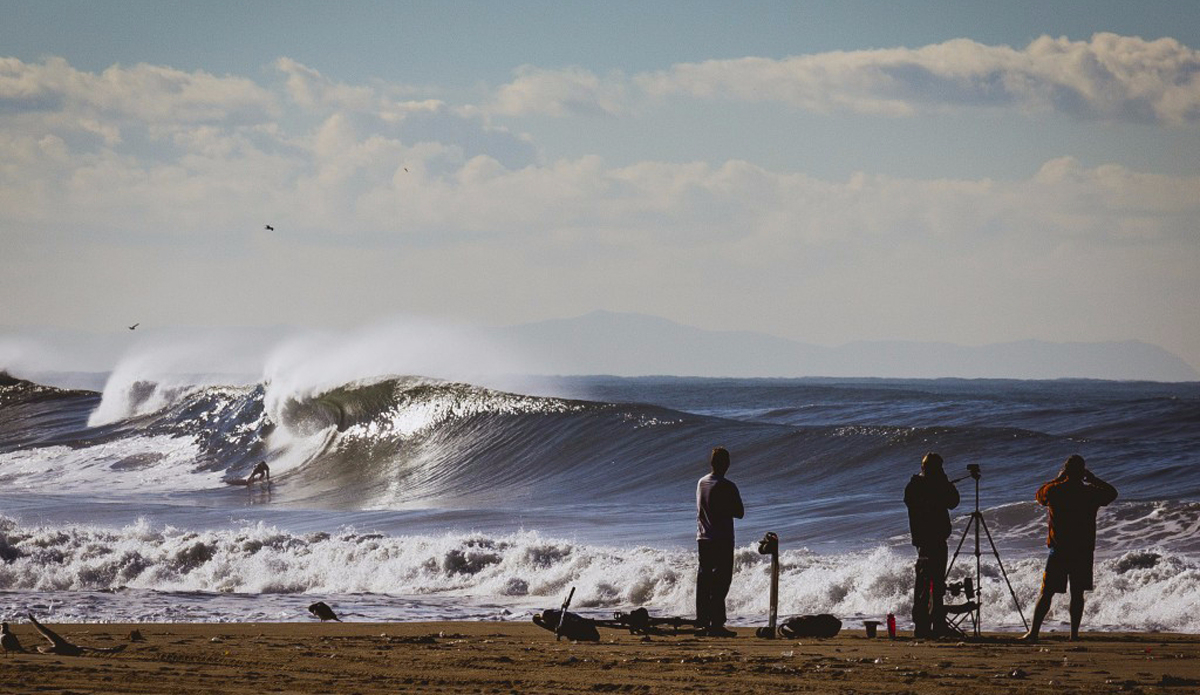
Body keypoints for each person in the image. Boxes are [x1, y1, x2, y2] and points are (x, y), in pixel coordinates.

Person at [1022, 454, 1118, 642]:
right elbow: (1112, 493)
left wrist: (1058, 478)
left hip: (1059, 549)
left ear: (1065, 470)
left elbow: (1039, 495)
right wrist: (1093, 479)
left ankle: (1033, 633)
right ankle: (1074, 635)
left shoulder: (1056, 490)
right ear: (1082, 472)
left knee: (1047, 592)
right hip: (1082, 549)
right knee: (1077, 593)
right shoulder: (1090, 492)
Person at [903, 452, 959, 638]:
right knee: (926, 583)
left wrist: (942, 484)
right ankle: (924, 625)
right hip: (928, 540)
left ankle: (935, 623)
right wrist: (943, 483)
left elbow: (953, 502)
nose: (941, 471)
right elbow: (952, 501)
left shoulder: (917, 486)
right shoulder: (918, 487)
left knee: (934, 583)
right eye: (939, 468)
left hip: (929, 540)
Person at [695, 446, 744, 637]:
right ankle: (716, 624)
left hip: (703, 537)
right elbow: (739, 513)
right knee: (721, 582)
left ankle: (702, 621)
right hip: (721, 539)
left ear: (711, 463)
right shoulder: (727, 486)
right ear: (726, 464)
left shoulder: (701, 482)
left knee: (704, 580)